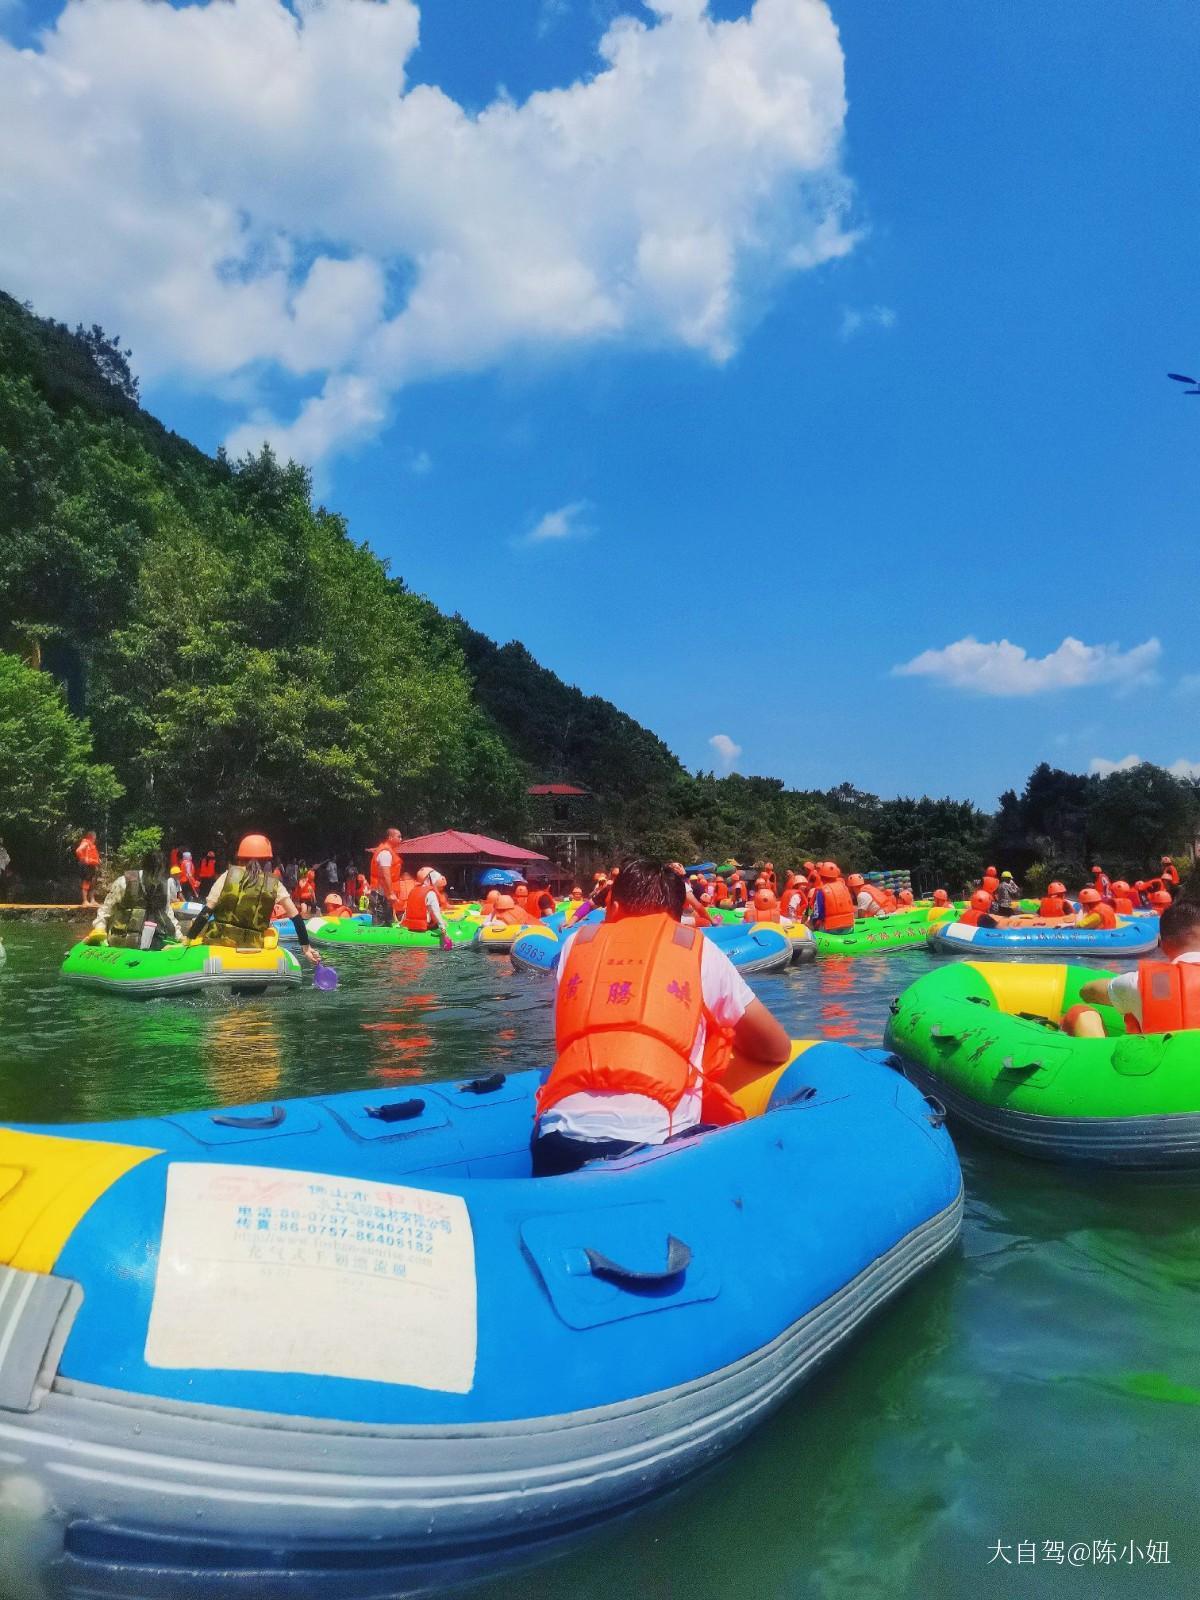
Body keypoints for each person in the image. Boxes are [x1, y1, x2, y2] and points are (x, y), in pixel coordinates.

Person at [530, 859, 792, 1176]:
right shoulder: (699, 948)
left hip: (556, 1141)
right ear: (677, 913)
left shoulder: (575, 944)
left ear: (612, 905)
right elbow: (776, 1047)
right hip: (653, 1145)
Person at [1063, 900, 1200, 1038]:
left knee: (1079, 1012)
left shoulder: (1154, 982)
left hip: (1165, 1058)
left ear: (1163, 945)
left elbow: (1088, 991)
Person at [185, 833, 319, 964]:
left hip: (220, 942)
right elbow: (296, 918)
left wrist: (189, 938)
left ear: (241, 857)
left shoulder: (227, 876)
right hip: (253, 947)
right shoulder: (274, 884)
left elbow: (206, 911)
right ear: (267, 859)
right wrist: (306, 948)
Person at [88, 850, 183, 948]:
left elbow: (168, 914)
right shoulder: (123, 883)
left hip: (153, 942)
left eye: (159, 873)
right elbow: (106, 910)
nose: (156, 877)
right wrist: (99, 929)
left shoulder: (163, 887)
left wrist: (179, 936)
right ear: (145, 869)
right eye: (153, 873)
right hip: (122, 942)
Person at [404, 867, 453, 946]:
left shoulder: (413, 890)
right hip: (424, 927)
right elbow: (435, 913)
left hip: (411, 927)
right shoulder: (430, 893)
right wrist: (443, 930)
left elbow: (408, 910)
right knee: (444, 922)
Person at [368, 828, 405, 926]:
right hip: (381, 893)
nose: (401, 839)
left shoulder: (388, 851)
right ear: (390, 838)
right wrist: (391, 893)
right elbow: (386, 874)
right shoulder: (386, 853)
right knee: (380, 921)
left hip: (384, 893)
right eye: (399, 836)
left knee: (388, 920)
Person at [807, 862, 855, 932]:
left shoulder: (820, 891)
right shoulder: (844, 887)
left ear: (820, 877)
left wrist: (809, 923)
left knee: (810, 922)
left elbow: (816, 914)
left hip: (832, 929)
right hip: (850, 927)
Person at [75, 831, 101, 909]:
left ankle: (92, 900)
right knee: (86, 882)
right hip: (87, 865)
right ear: (91, 837)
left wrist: (98, 860)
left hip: (92, 866)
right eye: (94, 838)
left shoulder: (91, 844)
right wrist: (83, 859)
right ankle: (85, 901)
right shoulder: (86, 843)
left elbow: (92, 854)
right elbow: (78, 851)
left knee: (93, 883)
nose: (95, 839)